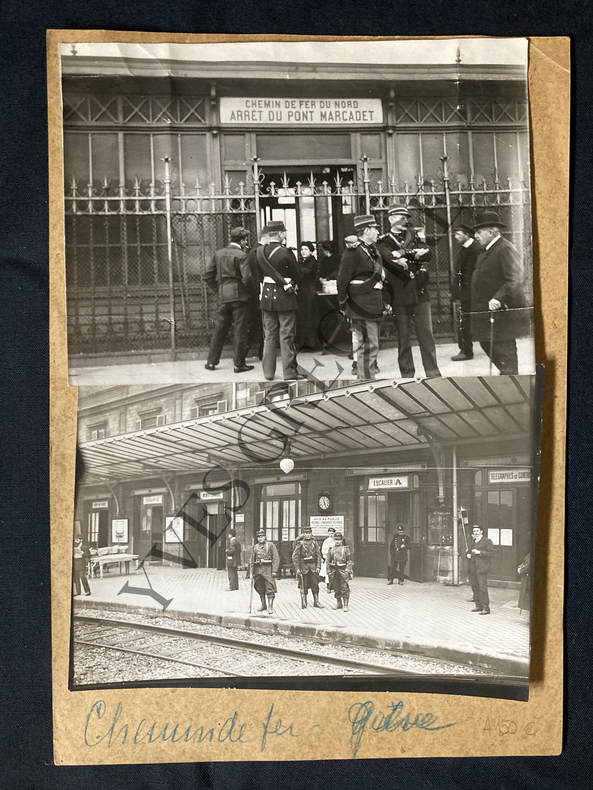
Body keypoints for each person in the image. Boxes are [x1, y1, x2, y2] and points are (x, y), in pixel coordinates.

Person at [377, 206, 441, 379]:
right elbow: (388, 258)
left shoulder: (414, 236)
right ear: (390, 219)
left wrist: (404, 254)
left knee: (426, 336)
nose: (405, 220)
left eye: (406, 217)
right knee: (403, 339)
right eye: (400, 217)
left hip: (420, 292)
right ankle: (407, 375)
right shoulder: (383, 241)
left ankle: (433, 373)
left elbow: (428, 254)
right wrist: (413, 253)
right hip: (399, 294)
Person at [470, 211, 525, 375]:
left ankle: (511, 379)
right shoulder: (488, 249)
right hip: (488, 313)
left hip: (502, 313)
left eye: (479, 232)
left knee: (504, 351)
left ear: (491, 231)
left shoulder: (504, 248)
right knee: (487, 343)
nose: (476, 236)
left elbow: (516, 278)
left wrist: (499, 298)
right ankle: (507, 374)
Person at [337, 214, 389, 380]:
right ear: (367, 230)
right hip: (362, 306)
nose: (378, 232)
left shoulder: (371, 249)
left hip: (371, 304)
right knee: (368, 347)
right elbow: (342, 279)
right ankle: (366, 383)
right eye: (375, 229)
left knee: (368, 346)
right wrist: (343, 302)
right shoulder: (353, 251)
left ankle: (365, 380)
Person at [255, 220, 303, 381]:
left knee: (269, 336)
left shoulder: (260, 252)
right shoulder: (286, 253)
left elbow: (257, 276)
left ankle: (268, 373)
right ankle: (289, 373)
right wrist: (290, 284)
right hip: (285, 297)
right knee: (286, 335)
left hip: (267, 297)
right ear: (281, 234)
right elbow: (299, 276)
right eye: (284, 232)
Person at [203, 227, 255, 374]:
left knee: (219, 330)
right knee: (240, 330)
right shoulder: (241, 255)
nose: (246, 243)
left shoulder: (218, 254)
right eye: (245, 240)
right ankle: (239, 364)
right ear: (243, 240)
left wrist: (218, 290)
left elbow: (207, 276)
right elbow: (247, 278)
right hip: (240, 297)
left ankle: (211, 362)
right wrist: (249, 292)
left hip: (223, 297)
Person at [451, 224, 480, 361]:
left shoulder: (475, 249)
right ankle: (465, 349)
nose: (455, 236)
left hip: (472, 293)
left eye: (458, 234)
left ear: (467, 235)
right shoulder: (466, 248)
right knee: (465, 321)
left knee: (467, 322)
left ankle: (467, 352)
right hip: (466, 292)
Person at [296, 241, 321, 351]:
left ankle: (312, 343)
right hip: (302, 290)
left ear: (311, 251)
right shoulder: (302, 261)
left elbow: (307, 271)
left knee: (309, 315)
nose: (303, 252)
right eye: (301, 250)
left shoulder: (312, 261)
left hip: (309, 290)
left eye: (305, 249)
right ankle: (304, 343)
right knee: (303, 316)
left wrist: (294, 270)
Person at [292, 525, 324, 608]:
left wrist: (318, 567)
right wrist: (297, 568)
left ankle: (316, 602)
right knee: (304, 585)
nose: (308, 535)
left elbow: (318, 555)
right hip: (304, 567)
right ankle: (304, 601)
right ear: (303, 534)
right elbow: (295, 556)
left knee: (315, 584)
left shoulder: (314, 542)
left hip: (313, 567)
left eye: (309, 533)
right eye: (306, 533)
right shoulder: (300, 543)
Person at [466, 525, 495, 615]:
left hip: (482, 568)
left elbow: (491, 553)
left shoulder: (487, 541)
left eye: (477, 531)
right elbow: (469, 551)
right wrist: (467, 554)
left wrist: (479, 552)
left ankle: (486, 608)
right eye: (474, 531)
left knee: (482, 588)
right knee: (475, 587)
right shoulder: (473, 542)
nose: (476, 532)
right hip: (473, 568)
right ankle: (478, 606)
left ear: (481, 531)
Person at [252, 529, 280, 615]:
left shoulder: (270, 545)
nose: (260, 539)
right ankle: (263, 604)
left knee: (269, 588)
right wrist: (251, 572)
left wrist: (274, 570)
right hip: (258, 571)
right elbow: (252, 560)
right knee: (260, 588)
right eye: (259, 537)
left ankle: (270, 606)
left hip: (268, 570)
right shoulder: (255, 547)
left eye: (262, 537)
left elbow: (276, 558)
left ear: (265, 537)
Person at [327, 532, 353, 611]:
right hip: (334, 571)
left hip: (343, 571)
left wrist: (347, 571)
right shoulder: (331, 550)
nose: (337, 541)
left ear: (341, 540)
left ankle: (346, 605)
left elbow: (349, 561)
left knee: (344, 588)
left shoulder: (345, 549)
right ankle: (339, 603)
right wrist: (328, 570)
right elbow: (328, 561)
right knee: (336, 588)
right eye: (336, 540)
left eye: (339, 540)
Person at [320, 526, 336, 593]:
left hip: (335, 559)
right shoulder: (326, 541)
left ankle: (335, 587)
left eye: (332, 533)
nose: (331, 535)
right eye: (329, 533)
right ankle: (328, 587)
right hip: (328, 559)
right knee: (328, 573)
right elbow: (323, 551)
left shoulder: (336, 540)